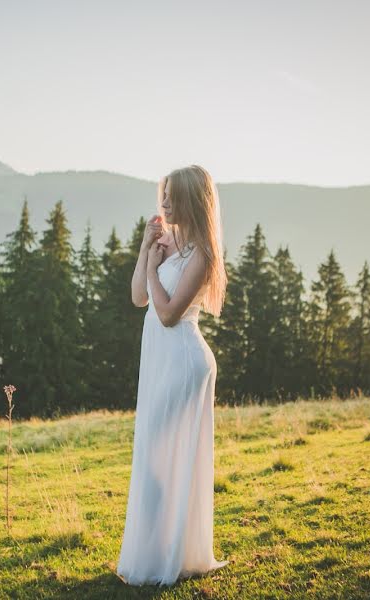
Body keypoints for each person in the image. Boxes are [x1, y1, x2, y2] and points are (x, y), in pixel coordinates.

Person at [116, 165, 230, 586]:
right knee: (156, 456)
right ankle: (164, 553)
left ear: (190, 201)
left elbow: (165, 315)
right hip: (163, 360)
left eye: (170, 198)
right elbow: (137, 298)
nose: (162, 205)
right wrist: (147, 249)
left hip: (184, 361)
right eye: (162, 196)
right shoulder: (170, 240)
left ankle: (163, 557)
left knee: (159, 459)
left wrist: (151, 266)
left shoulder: (202, 252)